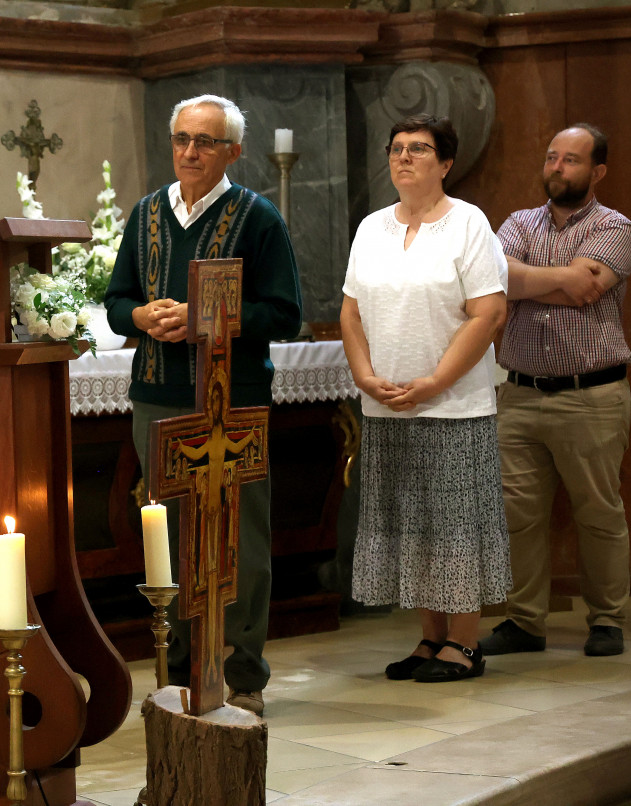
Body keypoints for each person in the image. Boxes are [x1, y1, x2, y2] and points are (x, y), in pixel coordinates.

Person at [105, 94, 302, 715]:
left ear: (233, 152)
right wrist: (140, 315)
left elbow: (286, 314)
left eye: (206, 142)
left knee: (238, 539)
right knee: (174, 536)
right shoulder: (145, 214)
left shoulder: (258, 217)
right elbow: (116, 302)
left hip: (233, 405)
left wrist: (207, 318)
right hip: (158, 399)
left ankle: (241, 673)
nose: (190, 152)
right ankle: (185, 668)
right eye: (182, 139)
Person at [341, 113, 510, 683]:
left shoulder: (468, 224)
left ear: (445, 163)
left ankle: (464, 643)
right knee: (409, 523)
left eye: (419, 149)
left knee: (454, 524)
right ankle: (430, 638)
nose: (405, 157)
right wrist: (364, 375)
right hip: (387, 403)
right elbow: (351, 311)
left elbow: (488, 313)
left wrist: (436, 381)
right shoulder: (371, 228)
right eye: (397, 148)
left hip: (453, 404)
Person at [481, 123, 631, 659]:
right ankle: (525, 621)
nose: (557, 168)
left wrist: (528, 279)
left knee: (598, 510)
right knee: (518, 514)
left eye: (571, 160)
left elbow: (589, 284)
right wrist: (558, 279)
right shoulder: (518, 222)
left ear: (597, 172)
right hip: (520, 393)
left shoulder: (616, 226)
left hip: (589, 394)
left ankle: (608, 620)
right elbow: (495, 280)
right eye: (552, 157)